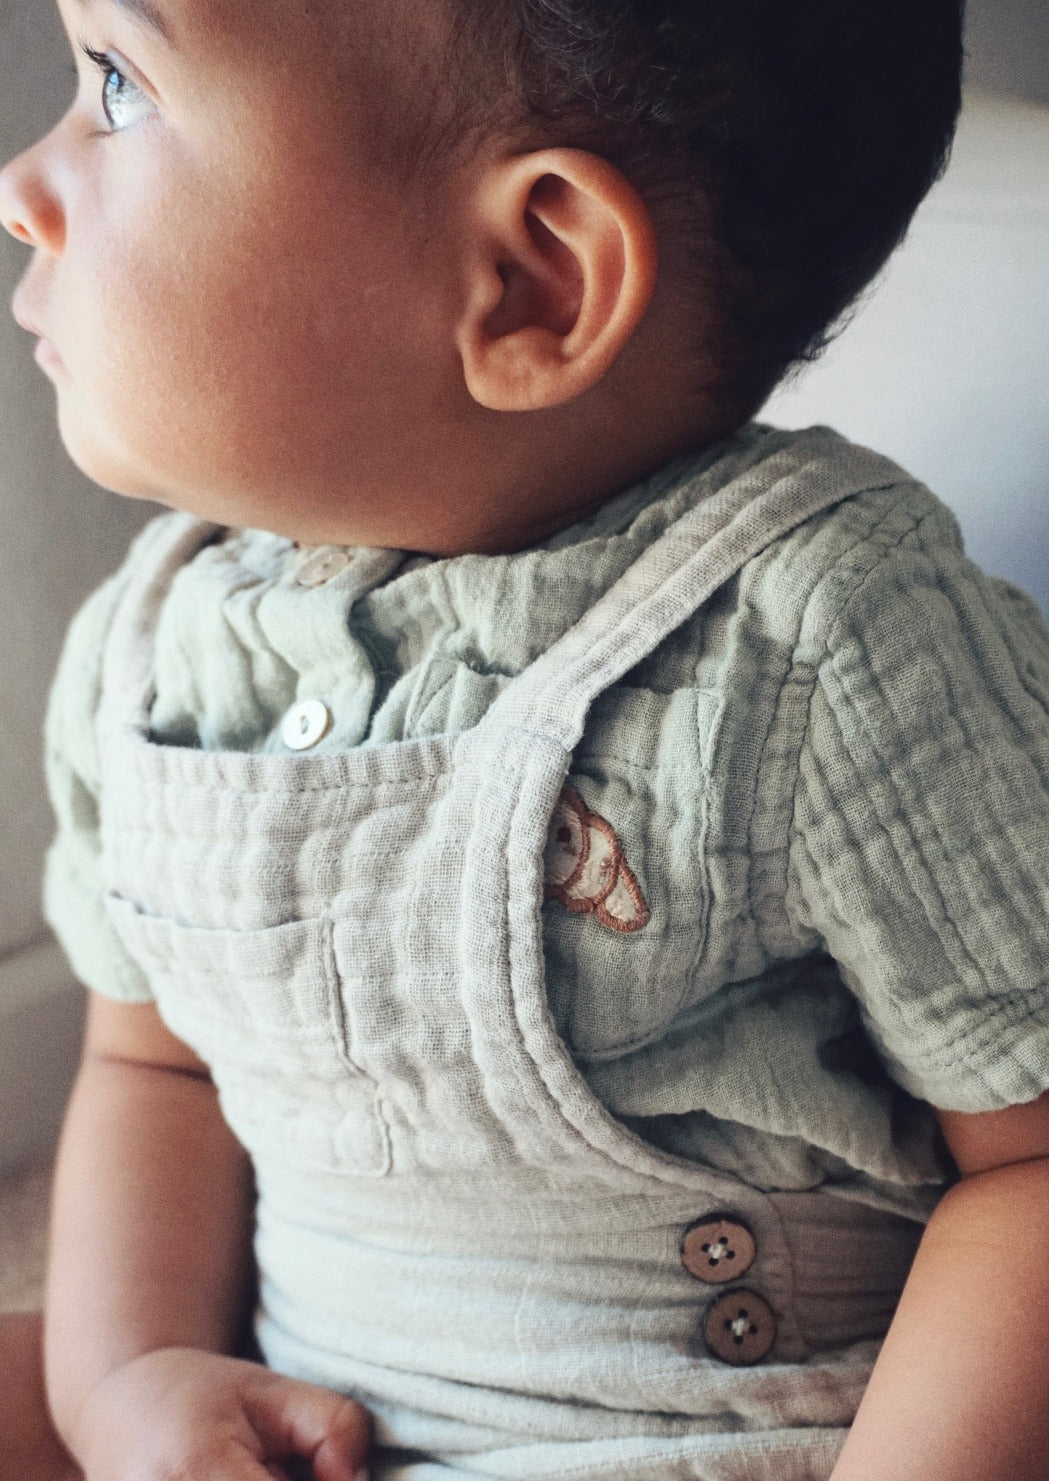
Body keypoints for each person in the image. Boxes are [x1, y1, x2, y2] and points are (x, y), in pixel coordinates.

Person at [3, 0, 1049, 1476]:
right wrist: (127, 1381)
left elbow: (1030, 1163)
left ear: (530, 281)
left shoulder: (818, 632)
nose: (20, 185)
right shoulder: (156, 641)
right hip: (302, 1406)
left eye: (122, 87)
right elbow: (155, 1069)